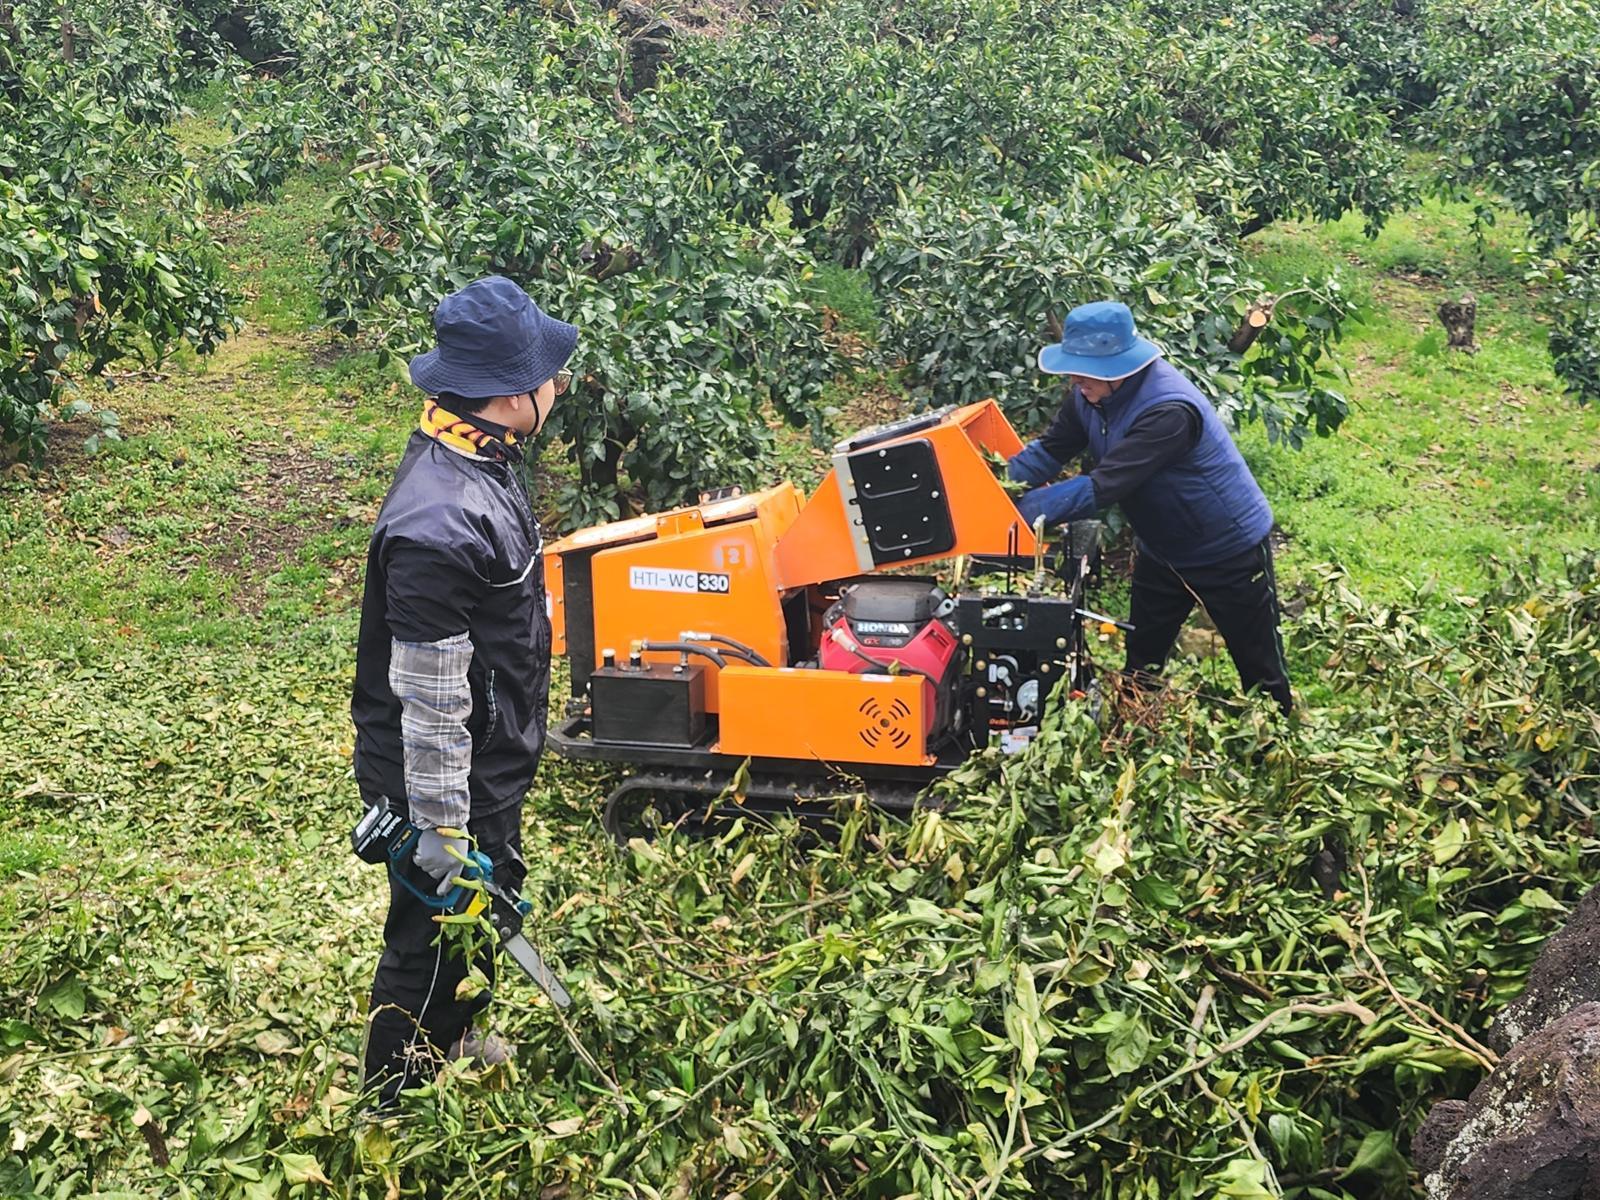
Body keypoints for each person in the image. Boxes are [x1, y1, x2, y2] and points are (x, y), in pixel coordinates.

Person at [350, 275, 577, 1105]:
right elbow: (431, 696)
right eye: (547, 375)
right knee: (427, 935)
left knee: (483, 907)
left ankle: (456, 1035)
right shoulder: (438, 524)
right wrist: (441, 825)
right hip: (442, 773)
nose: (558, 386)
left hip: (486, 754)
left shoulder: (474, 455)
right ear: (513, 396)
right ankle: (392, 1098)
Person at [1009, 300, 1292, 711]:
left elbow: (1104, 486)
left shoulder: (1169, 411)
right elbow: (1050, 450)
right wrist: (997, 486)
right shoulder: (1087, 396)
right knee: (1143, 656)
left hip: (1227, 549)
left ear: (1117, 368)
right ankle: (1134, 728)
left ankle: (1278, 741)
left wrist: (1019, 515)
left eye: (1083, 373)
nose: (1074, 381)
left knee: (1257, 661)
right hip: (1163, 547)